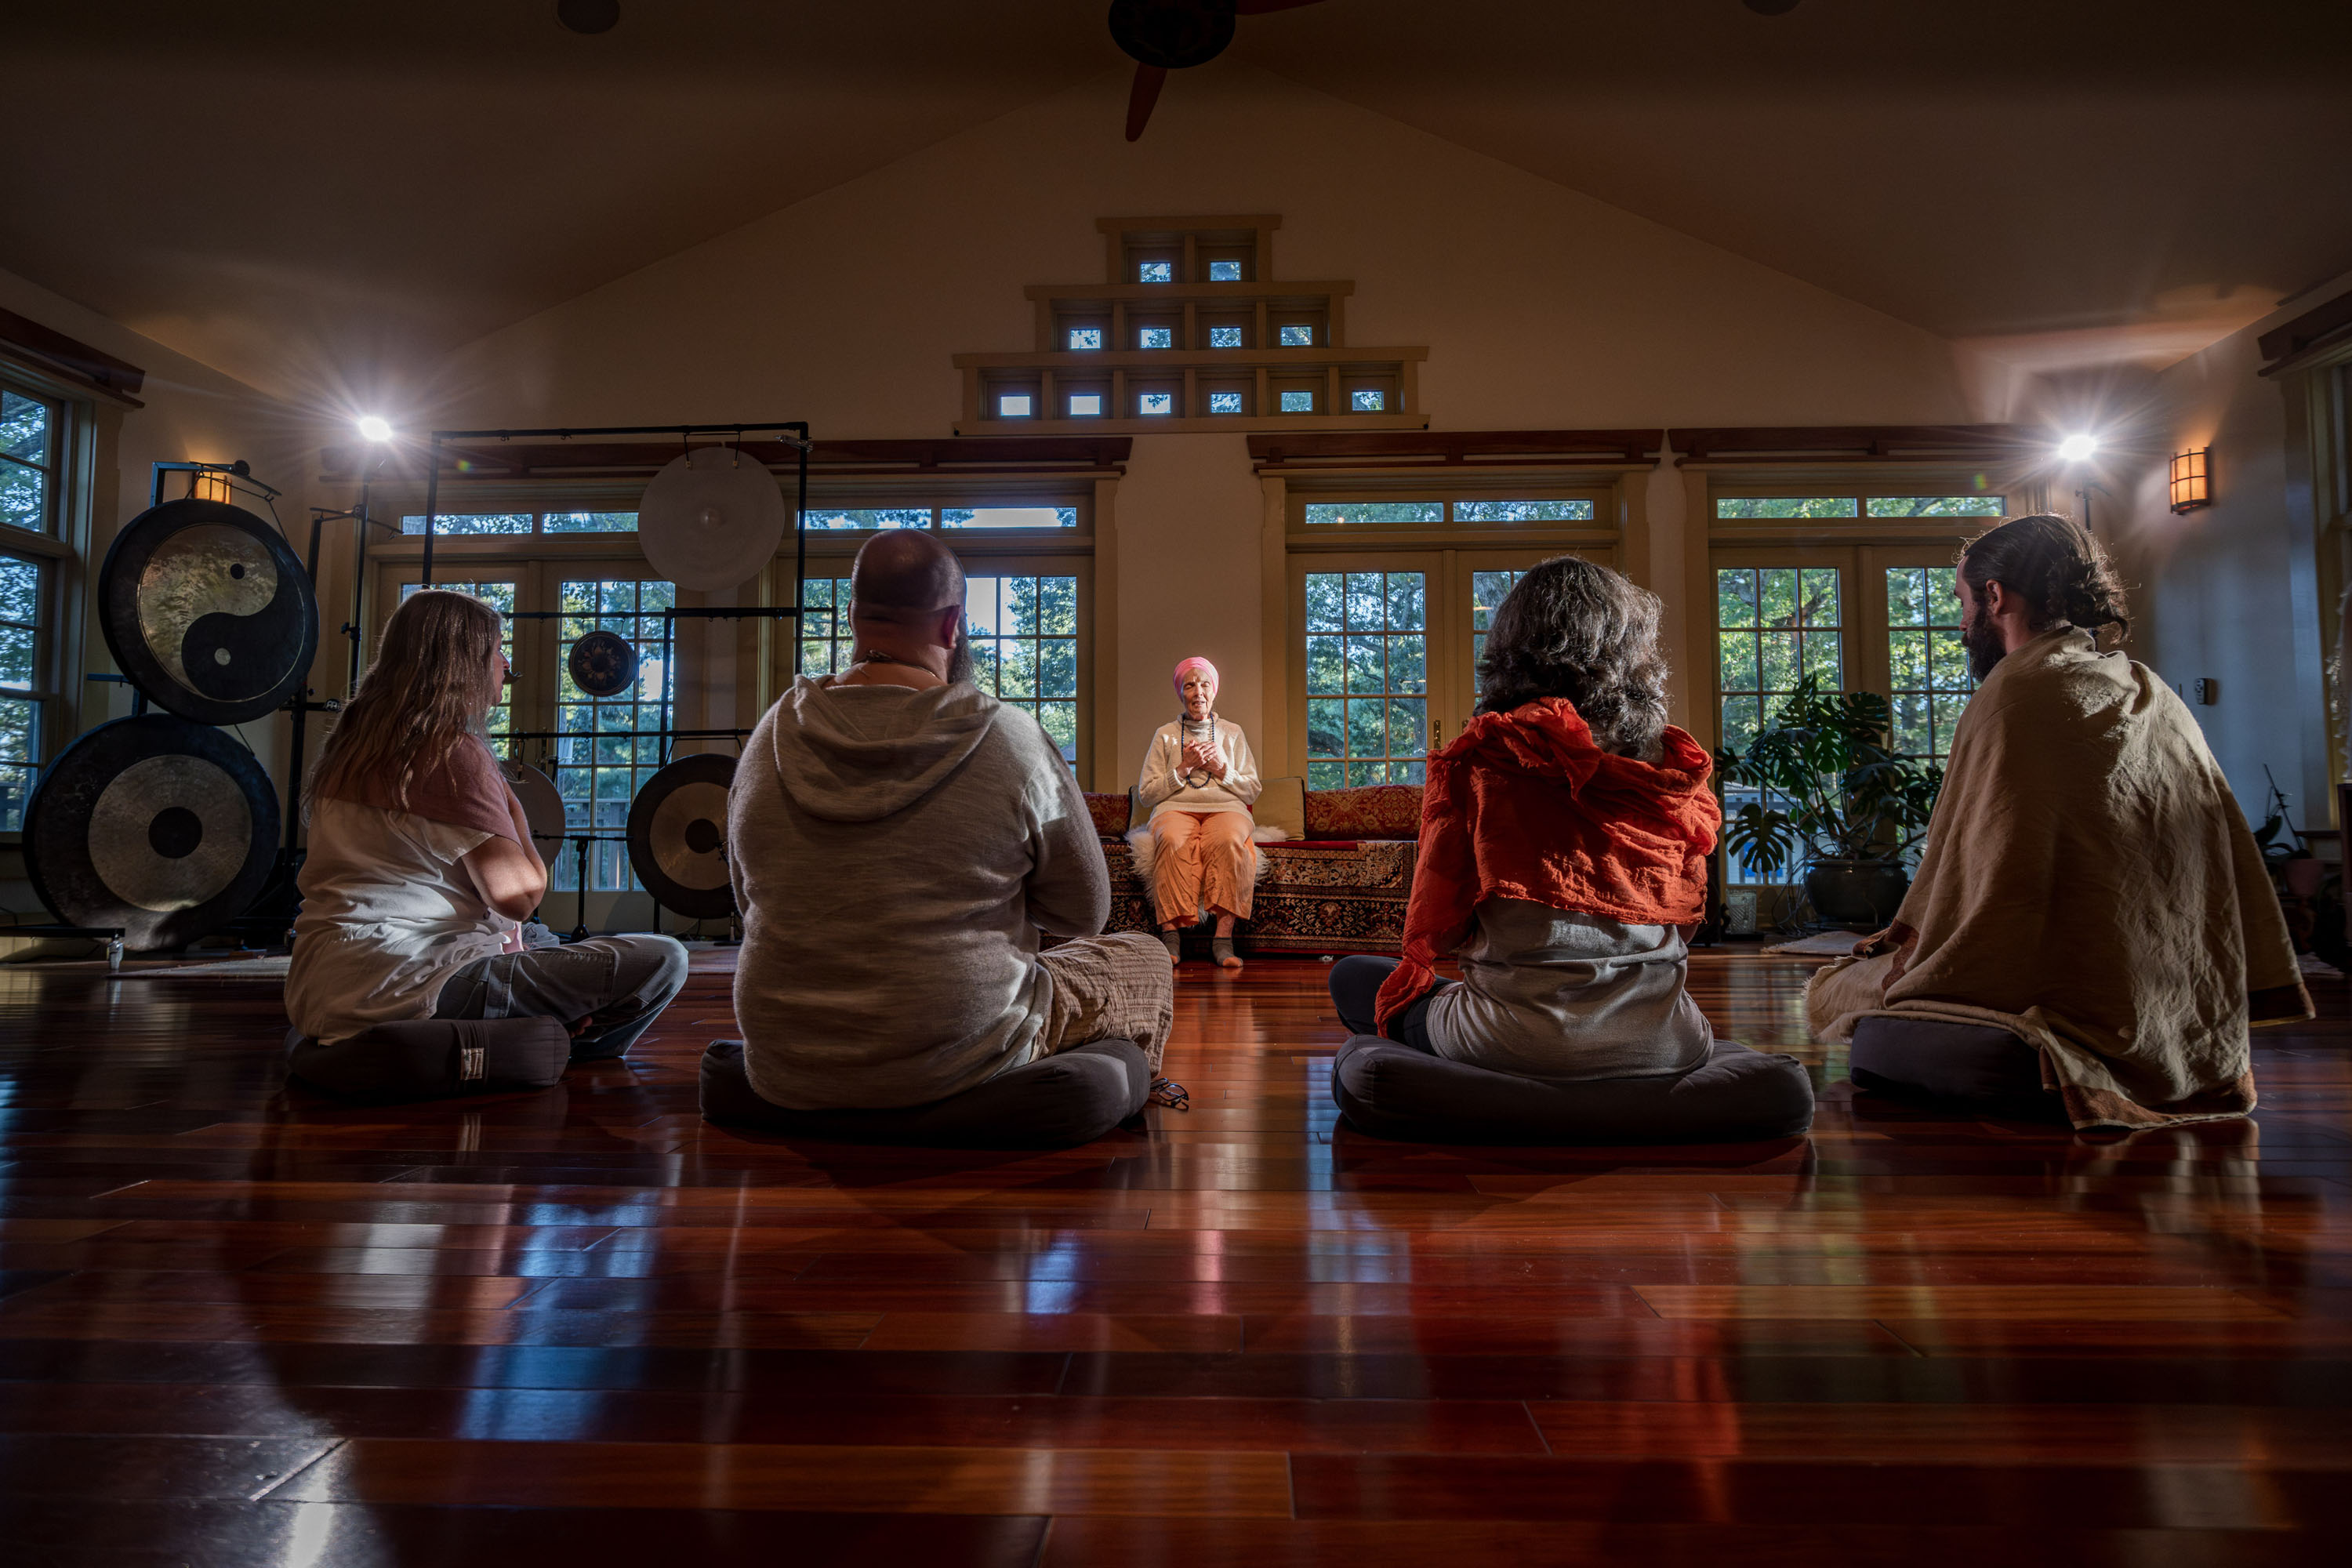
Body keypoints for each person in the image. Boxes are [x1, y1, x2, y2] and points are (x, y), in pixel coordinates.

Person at [1806, 513, 2307, 1129]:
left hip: (2065, 1009)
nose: (1961, 623)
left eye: (1963, 602)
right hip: (2180, 1018)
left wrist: (1909, 954)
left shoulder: (2012, 693)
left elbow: (1966, 879)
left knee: (1845, 1000)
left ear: (1995, 596)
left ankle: (2063, 1063)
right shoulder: (2148, 689)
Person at [728, 530, 1181, 1111]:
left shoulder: (770, 734)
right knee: (1144, 956)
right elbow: (1084, 913)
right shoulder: (1010, 738)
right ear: (951, 626)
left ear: (853, 616)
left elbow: (746, 895)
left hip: (787, 1061)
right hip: (959, 1050)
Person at [1329, 556, 1722, 1081]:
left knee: (1354, 978)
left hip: (1516, 1042)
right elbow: (1686, 926)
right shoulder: (1667, 773)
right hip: (1670, 1043)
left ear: (1513, 648)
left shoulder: (1489, 761)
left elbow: (1450, 926)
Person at [288, 588, 688, 1060]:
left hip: (322, 985)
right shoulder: (449, 750)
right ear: (462, 663)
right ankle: (554, 1048)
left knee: (539, 940)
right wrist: (508, 799)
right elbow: (519, 898)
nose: (505, 662)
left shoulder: (348, 750)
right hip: (412, 986)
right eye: (497, 649)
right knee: (664, 958)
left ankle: (532, 1033)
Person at [1134, 656, 1263, 969]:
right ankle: (1171, 937)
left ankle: (1223, 941)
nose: (1198, 692)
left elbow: (1252, 790)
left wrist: (1221, 769)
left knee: (1230, 841)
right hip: (1174, 808)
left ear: (1214, 691)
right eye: (1190, 685)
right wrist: (1183, 768)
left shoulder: (1232, 732)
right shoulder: (1165, 734)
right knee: (1171, 840)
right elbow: (1146, 794)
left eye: (1205, 684)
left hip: (1227, 809)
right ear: (1181, 693)